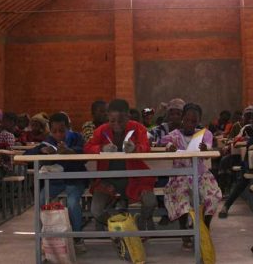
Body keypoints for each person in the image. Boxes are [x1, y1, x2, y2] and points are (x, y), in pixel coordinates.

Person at [85, 99, 156, 232]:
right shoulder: (102, 130)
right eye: (112, 121)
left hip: (136, 179)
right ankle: (119, 225)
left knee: (150, 202)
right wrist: (102, 148)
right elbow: (88, 147)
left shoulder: (138, 128)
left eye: (121, 121)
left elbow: (146, 146)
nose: (116, 124)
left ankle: (143, 219)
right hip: (107, 181)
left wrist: (135, 148)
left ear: (128, 116)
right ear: (108, 117)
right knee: (96, 211)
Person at [161, 103, 222, 251]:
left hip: (200, 174)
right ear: (182, 119)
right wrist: (169, 147)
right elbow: (163, 142)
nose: (190, 124)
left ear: (198, 122)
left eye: (194, 121)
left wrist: (205, 149)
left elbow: (209, 148)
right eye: (187, 120)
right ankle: (185, 232)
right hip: (180, 175)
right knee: (181, 196)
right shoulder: (174, 135)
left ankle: (204, 228)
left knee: (212, 195)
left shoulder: (204, 134)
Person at [24, 112, 87, 251]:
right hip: (55, 182)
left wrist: (70, 152)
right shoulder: (49, 141)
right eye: (54, 131)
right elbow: (26, 155)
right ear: (50, 130)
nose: (58, 134)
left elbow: (84, 153)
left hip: (74, 180)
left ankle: (77, 238)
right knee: (41, 199)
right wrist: (42, 152)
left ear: (69, 127)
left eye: (62, 130)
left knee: (72, 203)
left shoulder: (77, 138)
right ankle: (43, 238)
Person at [219, 109, 253, 218]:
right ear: (251, 121)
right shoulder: (246, 128)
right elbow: (236, 141)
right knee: (242, 182)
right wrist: (244, 139)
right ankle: (226, 206)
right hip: (249, 164)